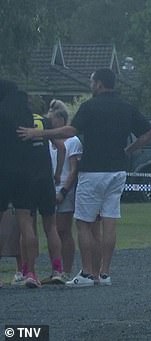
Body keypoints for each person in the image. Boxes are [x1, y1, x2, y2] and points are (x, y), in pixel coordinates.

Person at [18, 68, 151, 287]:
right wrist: (129, 150)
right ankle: (105, 273)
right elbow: (150, 133)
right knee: (109, 220)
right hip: (117, 171)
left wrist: (40, 133)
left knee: (83, 223)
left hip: (93, 171)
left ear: (99, 84)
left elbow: (70, 131)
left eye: (92, 82)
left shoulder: (89, 107)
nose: (91, 86)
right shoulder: (127, 108)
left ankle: (87, 273)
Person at [0, 80, 44, 288]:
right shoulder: (26, 116)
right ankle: (32, 273)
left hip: (3, 171)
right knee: (27, 224)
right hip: (25, 173)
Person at [24, 104, 66, 286]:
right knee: (51, 226)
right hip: (45, 178)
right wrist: (57, 173)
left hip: (25, 179)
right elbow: (61, 147)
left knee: (27, 226)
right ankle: (57, 269)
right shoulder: (44, 121)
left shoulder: (17, 121)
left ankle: (28, 272)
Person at [46, 100, 82, 282]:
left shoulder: (73, 141)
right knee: (51, 229)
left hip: (64, 189)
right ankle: (56, 269)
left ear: (60, 119)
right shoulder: (49, 140)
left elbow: (73, 169)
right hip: (48, 189)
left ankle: (66, 269)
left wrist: (64, 191)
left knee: (63, 230)